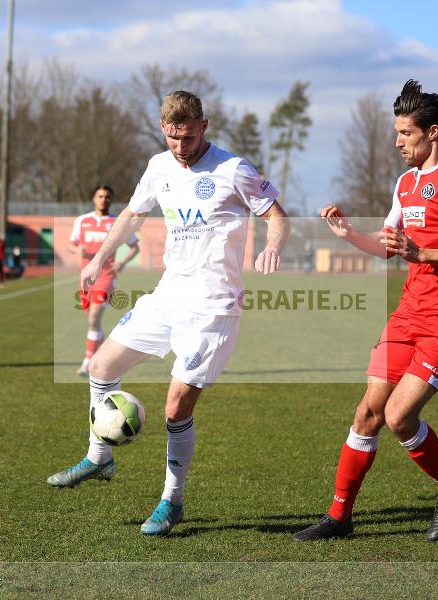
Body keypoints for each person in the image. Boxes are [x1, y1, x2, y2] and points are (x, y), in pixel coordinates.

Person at [46, 90, 289, 536]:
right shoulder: (159, 166)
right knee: (102, 365)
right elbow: (132, 216)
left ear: (205, 126)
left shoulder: (234, 169)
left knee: (175, 407)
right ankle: (100, 458)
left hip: (213, 308)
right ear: (164, 129)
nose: (181, 147)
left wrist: (272, 245)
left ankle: (171, 501)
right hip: (167, 297)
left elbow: (277, 215)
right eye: (173, 138)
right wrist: (99, 258)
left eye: (189, 137)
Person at [293, 80, 438, 543]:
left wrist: (421, 253)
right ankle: (339, 516)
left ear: (433, 132)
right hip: (409, 314)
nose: (398, 142)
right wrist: (348, 234)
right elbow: (390, 247)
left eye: (406, 133)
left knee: (400, 417)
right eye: (398, 132)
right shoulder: (406, 184)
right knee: (368, 411)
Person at [69, 184, 141, 376]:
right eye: (100, 196)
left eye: (107, 197)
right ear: (94, 199)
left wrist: (122, 262)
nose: (104, 200)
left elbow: (135, 247)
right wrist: (78, 250)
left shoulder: (118, 222)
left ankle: (87, 362)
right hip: (86, 277)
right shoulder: (82, 221)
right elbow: (71, 245)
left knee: (94, 317)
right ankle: (98, 356)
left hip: (106, 277)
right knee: (92, 322)